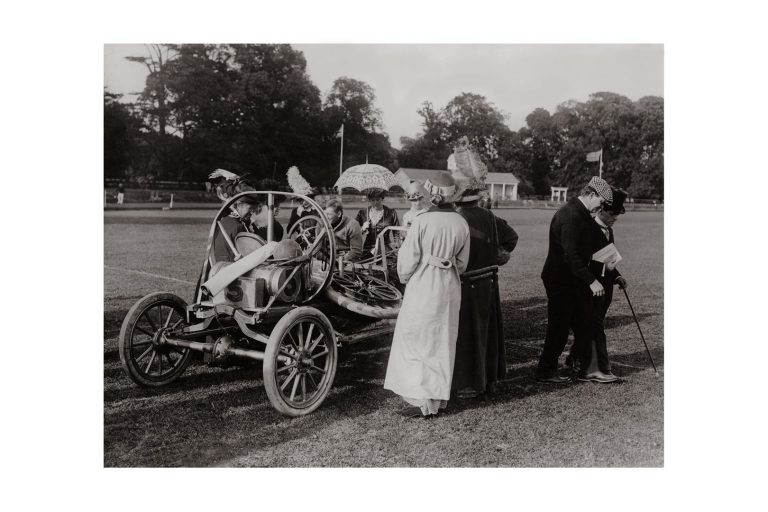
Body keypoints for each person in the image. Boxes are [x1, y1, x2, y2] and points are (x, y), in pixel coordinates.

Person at [384, 172, 470, 418]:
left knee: (418, 339)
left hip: (425, 282)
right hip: (450, 285)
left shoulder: (422, 221)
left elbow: (407, 261)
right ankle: (435, 400)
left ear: (431, 194)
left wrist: (404, 277)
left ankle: (421, 400)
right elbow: (463, 264)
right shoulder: (460, 222)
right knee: (442, 341)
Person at [535, 176, 613, 384]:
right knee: (559, 328)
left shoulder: (583, 214)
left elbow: (600, 246)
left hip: (575, 280)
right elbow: (571, 255)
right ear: (590, 195)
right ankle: (546, 371)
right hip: (561, 280)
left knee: (586, 324)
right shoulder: (570, 215)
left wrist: (615, 273)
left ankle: (589, 369)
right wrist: (592, 281)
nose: (601, 207)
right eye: (600, 202)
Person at [452, 185, 519, 399]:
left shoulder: (456, 219)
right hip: (488, 282)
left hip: (465, 283)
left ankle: (467, 384)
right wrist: (498, 255)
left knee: (466, 334)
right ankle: (490, 380)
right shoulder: (489, 216)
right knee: (487, 330)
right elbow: (511, 238)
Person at [577, 187, 629, 383]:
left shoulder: (610, 230)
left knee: (593, 323)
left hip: (605, 287)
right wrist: (592, 281)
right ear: (601, 211)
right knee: (594, 325)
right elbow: (584, 260)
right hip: (591, 286)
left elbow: (608, 259)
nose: (615, 219)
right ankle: (597, 368)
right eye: (612, 215)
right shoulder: (588, 228)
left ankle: (576, 359)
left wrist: (616, 276)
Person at [212, 195, 262, 263]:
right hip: (231, 268)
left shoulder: (225, 221)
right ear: (239, 205)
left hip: (218, 265)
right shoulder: (238, 226)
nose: (252, 212)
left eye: (254, 209)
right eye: (250, 208)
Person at [356, 189, 399, 256]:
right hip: (368, 249)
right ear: (369, 200)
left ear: (382, 199)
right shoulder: (362, 213)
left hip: (385, 249)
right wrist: (362, 229)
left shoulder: (391, 213)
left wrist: (397, 247)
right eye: (372, 200)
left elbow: (396, 233)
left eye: (377, 199)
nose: (375, 202)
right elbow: (354, 233)